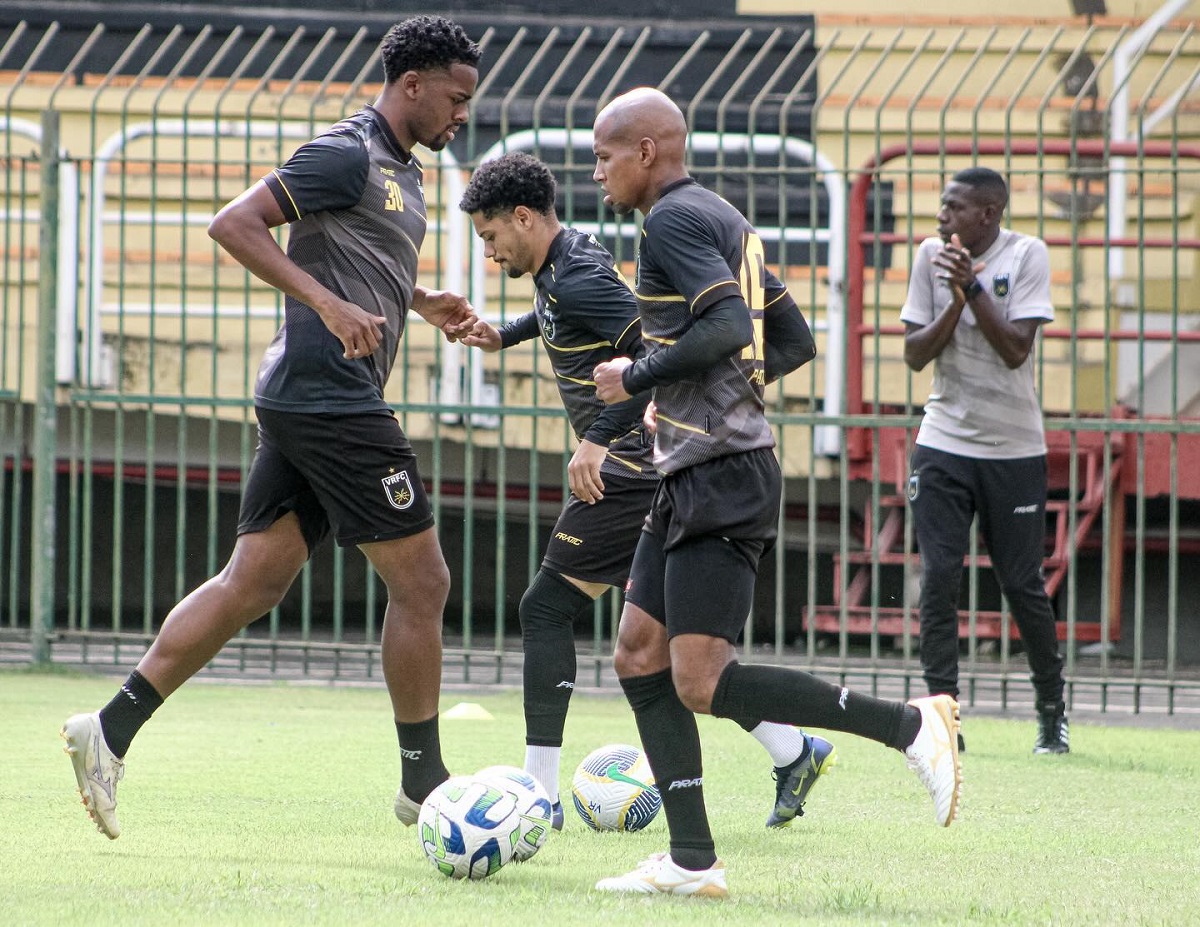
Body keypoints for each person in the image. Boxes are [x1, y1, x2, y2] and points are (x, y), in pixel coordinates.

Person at [60, 16, 482, 840]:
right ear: (413, 86)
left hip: (310, 396)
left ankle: (107, 728)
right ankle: (423, 784)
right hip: (331, 397)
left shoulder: (405, 171)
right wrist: (325, 304)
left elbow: (354, 253)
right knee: (423, 582)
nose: (463, 114)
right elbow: (233, 223)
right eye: (456, 98)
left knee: (252, 581)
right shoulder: (346, 151)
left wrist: (416, 301)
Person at [588, 87, 963, 898]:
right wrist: (709, 391)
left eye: (604, 156)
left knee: (699, 677)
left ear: (647, 151)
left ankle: (910, 726)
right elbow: (786, 339)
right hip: (695, 467)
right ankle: (693, 861)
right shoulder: (726, 219)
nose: (598, 173)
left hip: (722, 474)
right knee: (637, 653)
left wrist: (638, 377)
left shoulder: (673, 221)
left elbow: (724, 329)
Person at [457, 151, 835, 831]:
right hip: (651, 466)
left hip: (628, 467)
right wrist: (501, 334)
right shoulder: (562, 264)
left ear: (521, 218)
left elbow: (644, 345)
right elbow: (577, 317)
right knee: (676, 644)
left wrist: (600, 433)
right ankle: (794, 745)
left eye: (490, 238)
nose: (488, 253)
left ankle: (539, 791)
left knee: (547, 608)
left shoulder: (577, 277)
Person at [901, 166, 1069, 755]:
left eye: (954, 208)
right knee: (940, 575)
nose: (942, 217)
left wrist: (971, 289)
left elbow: (1016, 351)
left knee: (1021, 583)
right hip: (944, 440)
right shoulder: (931, 257)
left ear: (988, 214)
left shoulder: (1026, 255)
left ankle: (1052, 710)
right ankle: (944, 722)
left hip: (1014, 448)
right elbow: (915, 355)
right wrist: (953, 300)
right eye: (942, 206)